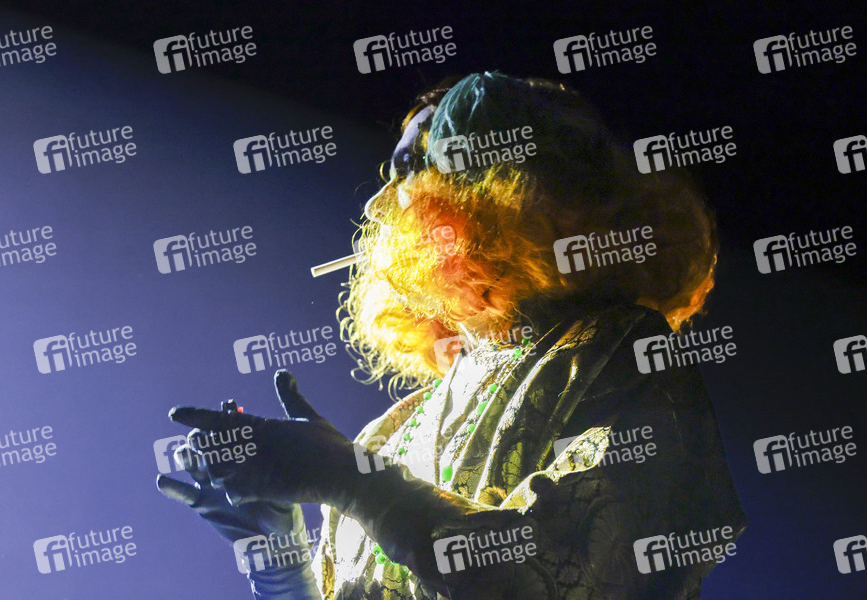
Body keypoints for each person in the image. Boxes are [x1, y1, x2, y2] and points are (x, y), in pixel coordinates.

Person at [157, 72, 746, 600]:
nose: (379, 203)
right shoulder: (389, 432)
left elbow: (559, 579)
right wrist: (281, 567)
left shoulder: (620, 354)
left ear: (512, 185)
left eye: (412, 166)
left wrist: (346, 479)